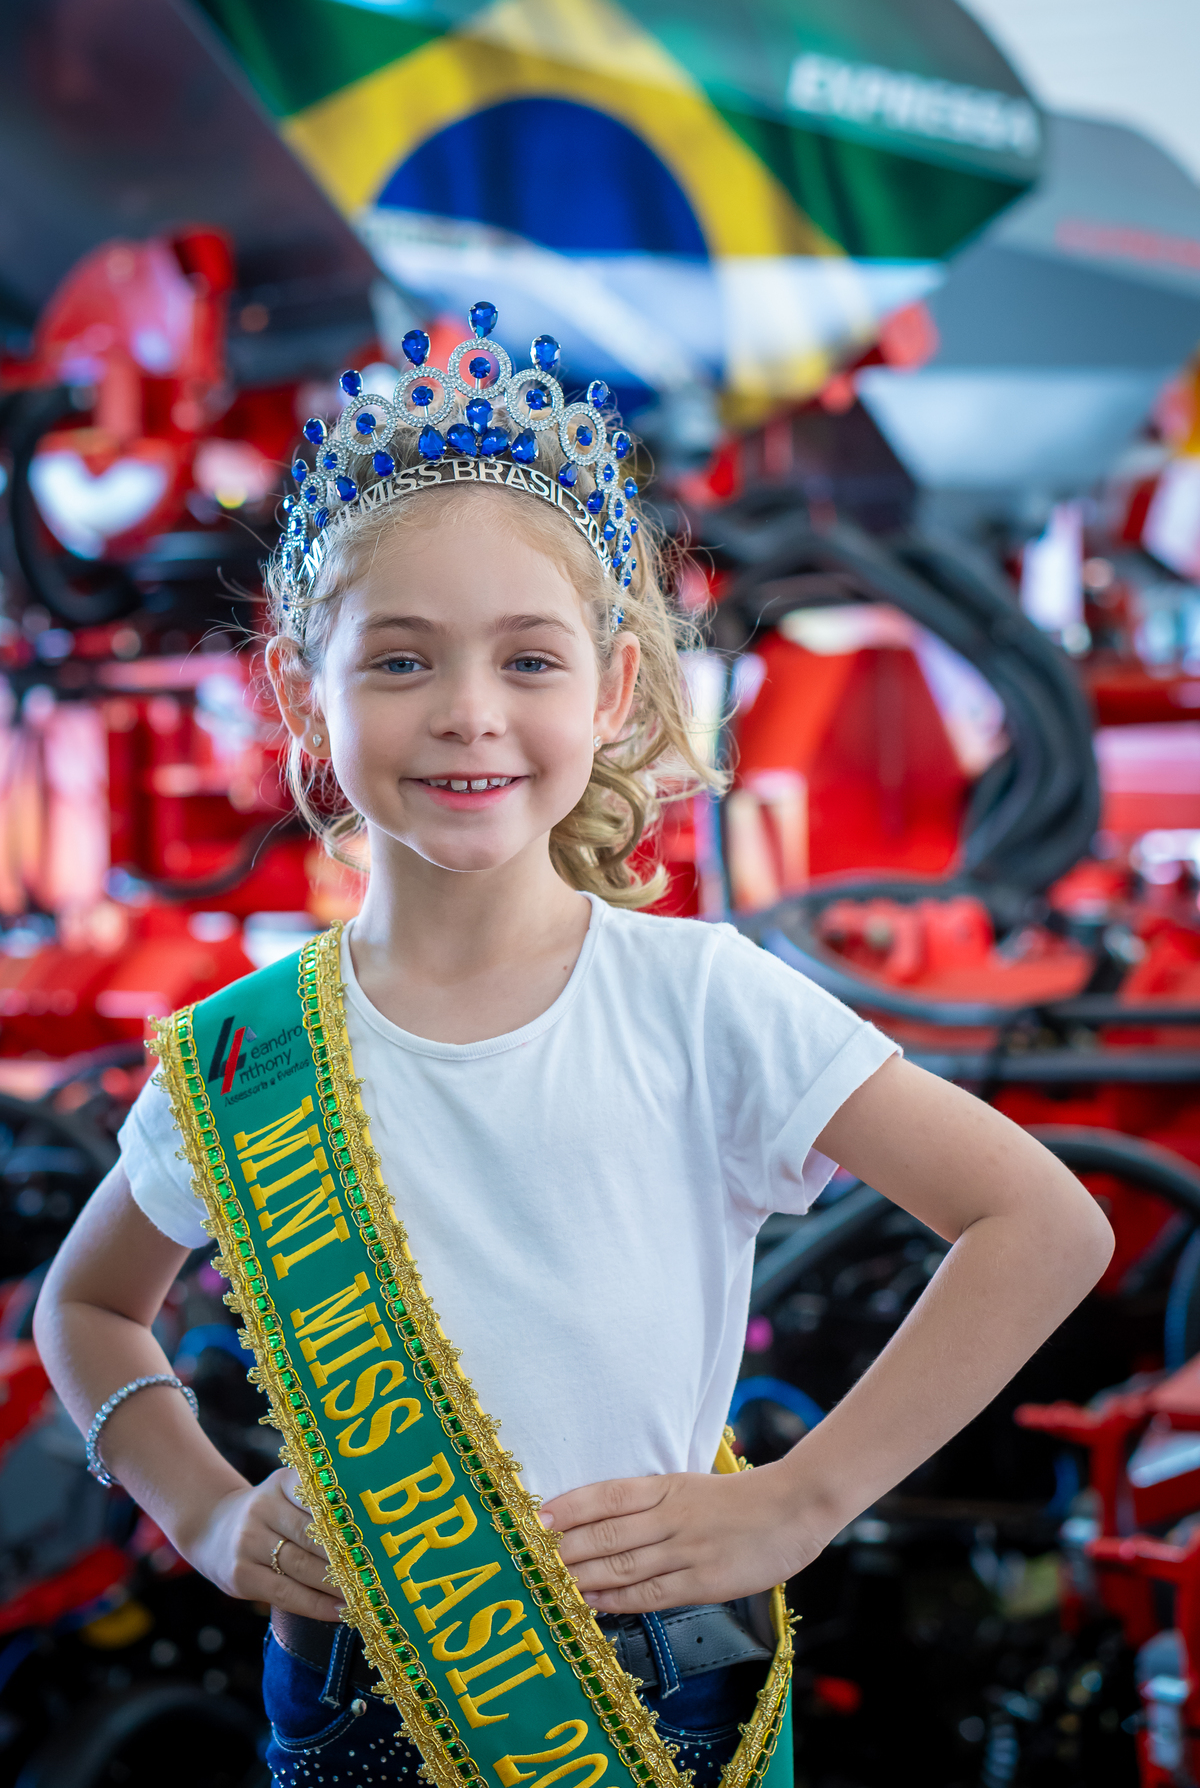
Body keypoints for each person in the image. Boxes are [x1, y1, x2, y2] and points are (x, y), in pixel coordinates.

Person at [36, 307, 1113, 1788]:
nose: (469, 713)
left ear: (610, 690)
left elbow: (1044, 1222)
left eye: (527, 662)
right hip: (348, 1709)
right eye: (400, 662)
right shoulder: (238, 1058)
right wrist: (206, 1515)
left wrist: (807, 1500)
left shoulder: (702, 999)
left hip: (658, 1700)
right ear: (299, 692)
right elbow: (85, 1310)